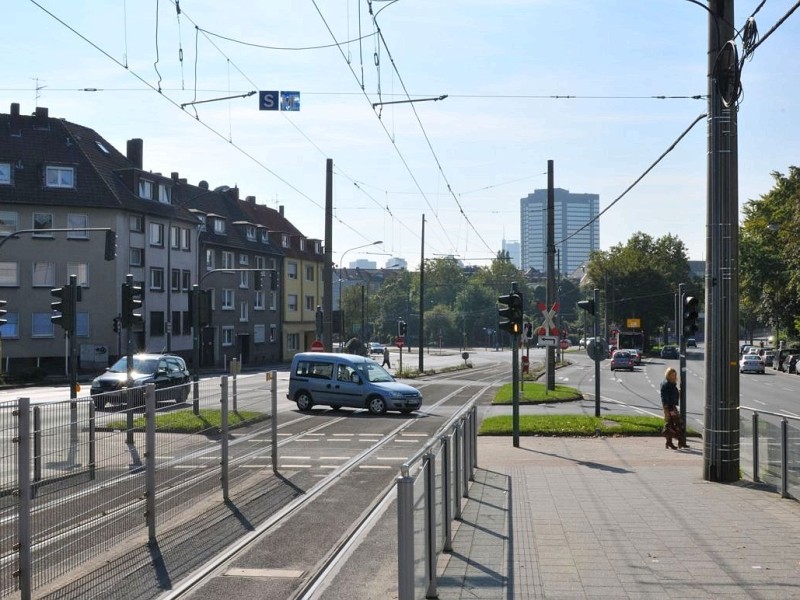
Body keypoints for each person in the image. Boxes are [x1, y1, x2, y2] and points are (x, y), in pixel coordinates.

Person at [660, 367, 687, 449]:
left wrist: (678, 393)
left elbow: (673, 395)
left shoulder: (671, 383)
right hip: (669, 407)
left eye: (675, 375)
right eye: (672, 375)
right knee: (676, 424)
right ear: (668, 375)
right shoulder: (666, 384)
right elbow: (665, 397)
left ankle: (672, 442)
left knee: (673, 424)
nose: (674, 376)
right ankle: (677, 442)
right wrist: (668, 408)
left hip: (672, 406)